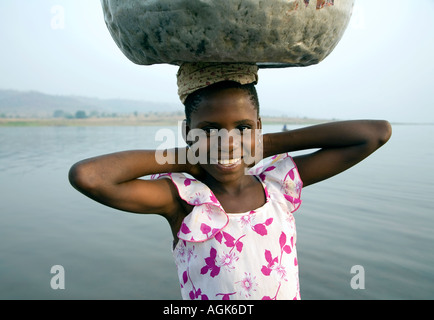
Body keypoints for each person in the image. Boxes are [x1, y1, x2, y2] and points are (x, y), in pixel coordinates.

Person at [68, 63, 392, 300]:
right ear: (187, 132)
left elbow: (375, 134)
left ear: (259, 126)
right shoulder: (185, 201)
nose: (227, 141)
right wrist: (192, 155)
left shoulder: (277, 186)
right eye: (209, 130)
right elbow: (89, 176)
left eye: (242, 127)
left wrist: (263, 145)